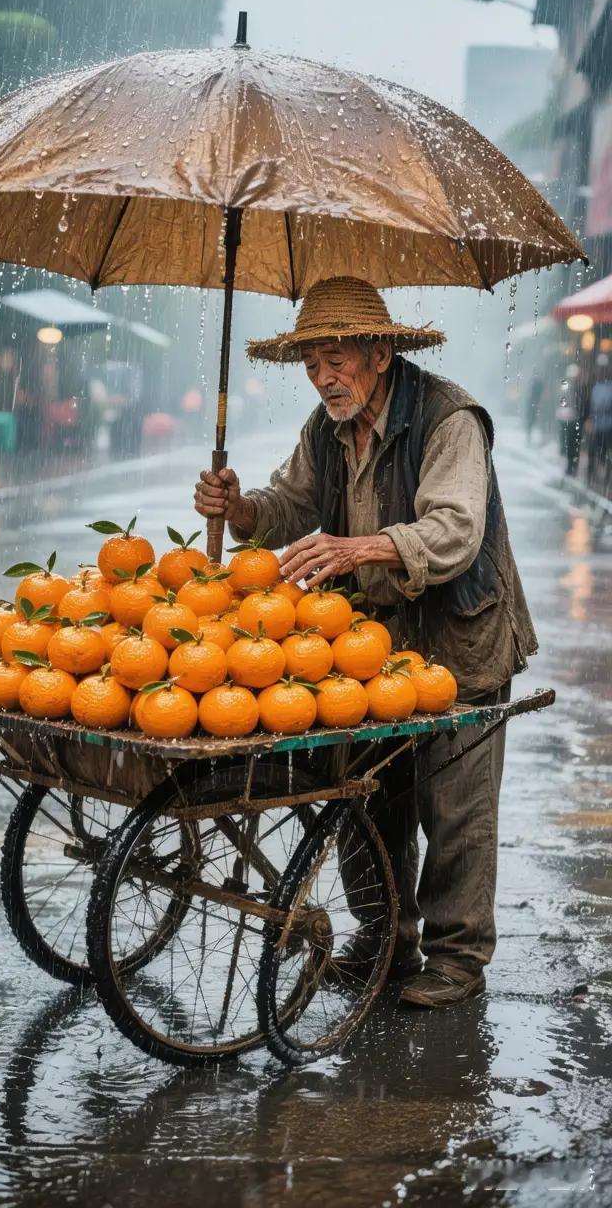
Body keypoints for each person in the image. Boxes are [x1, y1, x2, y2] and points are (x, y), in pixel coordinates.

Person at [194, 277, 537, 1009]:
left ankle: (456, 957)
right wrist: (242, 505)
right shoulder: (327, 430)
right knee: (366, 795)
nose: (323, 376)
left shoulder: (449, 419)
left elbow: (453, 532)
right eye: (312, 362)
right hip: (371, 650)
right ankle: (384, 937)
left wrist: (359, 550)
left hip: (460, 642)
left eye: (337, 357)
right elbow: (289, 505)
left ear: (381, 353)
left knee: (456, 810)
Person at [587, 354, 612, 490]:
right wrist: (590, 420)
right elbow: (591, 407)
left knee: (607, 453)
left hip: (608, 426)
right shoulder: (595, 386)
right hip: (597, 426)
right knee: (593, 452)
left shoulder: (609, 387)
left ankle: (606, 478)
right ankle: (590, 476)